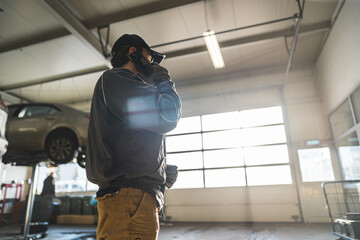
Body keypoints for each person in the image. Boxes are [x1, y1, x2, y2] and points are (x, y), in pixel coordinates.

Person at [86, 34, 182, 240]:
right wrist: (163, 80)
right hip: (130, 197)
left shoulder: (125, 88)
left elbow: (129, 140)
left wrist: (159, 172)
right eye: (149, 57)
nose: (152, 64)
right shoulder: (116, 80)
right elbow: (167, 116)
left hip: (133, 196)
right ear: (133, 53)